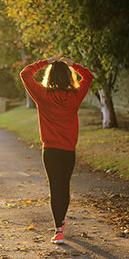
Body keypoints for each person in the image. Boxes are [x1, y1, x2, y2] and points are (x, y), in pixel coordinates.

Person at [20, 56, 94, 244]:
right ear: (69, 77)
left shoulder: (42, 95)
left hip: (50, 151)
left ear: (49, 76)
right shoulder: (76, 96)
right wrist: (73, 64)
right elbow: (88, 76)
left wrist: (45, 62)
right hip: (68, 150)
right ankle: (61, 222)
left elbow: (25, 73)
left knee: (55, 188)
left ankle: (59, 230)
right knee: (65, 186)